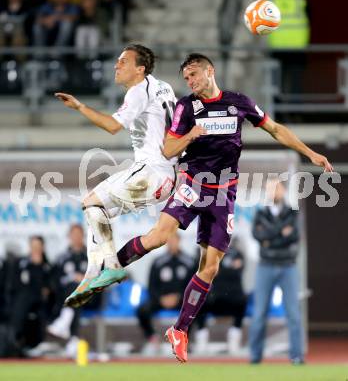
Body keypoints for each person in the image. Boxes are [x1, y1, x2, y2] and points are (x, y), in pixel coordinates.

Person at [87, 53, 333, 362]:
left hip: (224, 194)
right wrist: (190, 134)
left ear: (210, 71)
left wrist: (310, 153)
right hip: (193, 184)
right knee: (159, 236)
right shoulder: (186, 107)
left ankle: (179, 330)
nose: (189, 81)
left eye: (193, 74)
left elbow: (275, 129)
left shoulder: (238, 102)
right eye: (186, 77)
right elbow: (169, 148)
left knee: (211, 266)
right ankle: (107, 267)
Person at [55, 43, 177, 308]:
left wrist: (79, 107)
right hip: (167, 179)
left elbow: (112, 126)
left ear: (140, 69)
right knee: (98, 214)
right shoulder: (163, 86)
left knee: (91, 202)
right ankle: (92, 274)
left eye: (123, 61)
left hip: (152, 170)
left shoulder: (138, 91)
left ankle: (109, 266)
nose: (116, 65)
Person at [249, 177, 304, 364]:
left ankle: (297, 356)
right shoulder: (260, 213)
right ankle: (255, 357)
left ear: (283, 190)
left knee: (294, 314)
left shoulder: (292, 212)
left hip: (288, 265)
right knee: (259, 314)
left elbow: (294, 236)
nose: (273, 192)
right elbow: (257, 235)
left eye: (276, 188)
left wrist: (270, 236)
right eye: (269, 188)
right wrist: (281, 233)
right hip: (265, 266)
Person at [136, 233, 194, 355]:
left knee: (195, 308)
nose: (172, 243)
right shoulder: (157, 262)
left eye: (174, 240)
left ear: (179, 241)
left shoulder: (189, 262)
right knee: (142, 310)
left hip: (181, 300)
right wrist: (161, 299)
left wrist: (178, 297)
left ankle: (184, 340)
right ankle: (153, 339)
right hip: (160, 300)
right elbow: (151, 286)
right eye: (170, 240)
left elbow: (192, 287)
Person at [194, 240, 247, 356]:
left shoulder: (236, 253)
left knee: (242, 300)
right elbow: (202, 271)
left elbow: (236, 274)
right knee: (198, 298)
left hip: (231, 296)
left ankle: (235, 336)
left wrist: (218, 269)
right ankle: (201, 336)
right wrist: (226, 270)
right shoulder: (205, 250)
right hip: (212, 296)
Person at [10, 236, 51, 354]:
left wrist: (38, 266)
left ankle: (39, 343)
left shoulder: (47, 266)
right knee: (21, 301)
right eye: (33, 247)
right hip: (23, 301)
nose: (36, 249)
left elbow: (48, 288)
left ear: (42, 248)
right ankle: (17, 341)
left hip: (41, 302)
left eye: (38, 247)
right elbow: (15, 285)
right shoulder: (21, 264)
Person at [47, 224, 87, 341]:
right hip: (64, 296)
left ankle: (64, 321)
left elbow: (100, 276)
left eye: (79, 235)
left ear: (83, 236)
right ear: (69, 237)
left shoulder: (91, 256)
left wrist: (85, 279)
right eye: (74, 235)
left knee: (77, 289)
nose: (76, 237)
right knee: (73, 289)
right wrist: (72, 278)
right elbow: (55, 279)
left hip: (89, 296)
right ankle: (73, 338)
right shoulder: (61, 258)